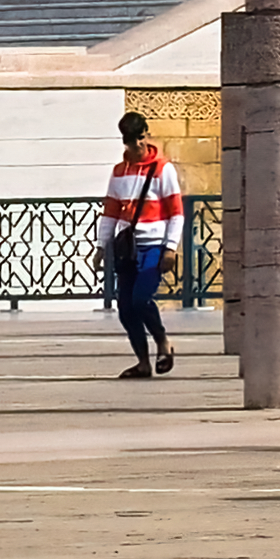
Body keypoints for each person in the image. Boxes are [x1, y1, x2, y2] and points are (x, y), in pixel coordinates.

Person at [100, 111, 187, 378]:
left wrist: (171, 247)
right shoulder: (119, 173)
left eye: (138, 141)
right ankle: (142, 362)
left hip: (154, 245)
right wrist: (101, 247)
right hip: (128, 247)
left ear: (145, 136)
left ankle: (162, 341)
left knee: (140, 299)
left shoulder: (163, 170)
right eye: (128, 143)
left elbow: (176, 212)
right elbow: (110, 213)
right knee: (125, 308)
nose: (134, 148)